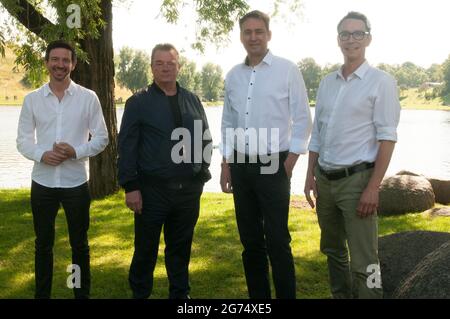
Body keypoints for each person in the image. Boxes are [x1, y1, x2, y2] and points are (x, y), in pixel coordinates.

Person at [304, 12, 401, 299]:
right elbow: (318, 135)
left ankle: (372, 296)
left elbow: (387, 137)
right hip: (325, 181)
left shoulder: (381, 82)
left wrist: (373, 187)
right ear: (338, 40)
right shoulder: (327, 83)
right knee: (333, 251)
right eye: (345, 34)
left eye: (358, 33)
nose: (351, 40)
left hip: (357, 182)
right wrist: (310, 174)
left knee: (365, 259)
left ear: (368, 39)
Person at [220, 10, 312, 299]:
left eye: (259, 31)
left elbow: (302, 118)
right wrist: (226, 164)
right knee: (250, 242)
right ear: (241, 37)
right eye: (247, 32)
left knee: (277, 241)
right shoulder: (233, 75)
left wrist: (291, 159)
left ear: (269, 35)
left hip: (275, 163)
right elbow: (227, 122)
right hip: (241, 166)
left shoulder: (287, 69)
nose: (253, 37)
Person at [118, 43, 212, 299]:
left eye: (170, 63)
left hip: (187, 193)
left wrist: (201, 174)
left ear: (179, 66)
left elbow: (204, 138)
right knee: (145, 250)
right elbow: (127, 147)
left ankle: (180, 296)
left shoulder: (192, 100)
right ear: (151, 67)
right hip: (151, 192)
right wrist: (131, 186)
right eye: (159, 63)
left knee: (180, 249)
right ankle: (140, 294)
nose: (165, 68)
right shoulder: (138, 102)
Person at [16, 40, 109, 299]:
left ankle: (81, 294)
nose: (60, 65)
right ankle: (42, 295)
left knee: (79, 245)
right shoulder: (32, 99)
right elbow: (23, 140)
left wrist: (76, 151)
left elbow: (102, 138)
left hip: (75, 183)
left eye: (65, 60)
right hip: (42, 183)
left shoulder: (88, 98)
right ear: (46, 63)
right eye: (54, 59)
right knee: (43, 245)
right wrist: (42, 154)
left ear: (73, 64)